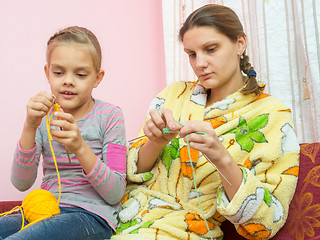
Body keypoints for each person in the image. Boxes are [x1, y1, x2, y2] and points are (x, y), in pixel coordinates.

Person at [112, 4, 299, 240]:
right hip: (119, 215)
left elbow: (267, 220)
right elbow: (126, 175)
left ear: (240, 44)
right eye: (192, 54)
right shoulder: (173, 95)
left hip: (183, 231)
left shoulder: (272, 114)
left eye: (211, 49)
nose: (199, 63)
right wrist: (155, 142)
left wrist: (221, 157)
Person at [0, 26, 127, 240]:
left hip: (89, 217)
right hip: (42, 210)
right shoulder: (43, 117)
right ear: (47, 72)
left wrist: (80, 147)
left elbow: (115, 194)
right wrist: (30, 124)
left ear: (97, 77)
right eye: (59, 72)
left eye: (81, 74)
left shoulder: (110, 116)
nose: (68, 80)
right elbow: (21, 183)